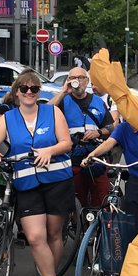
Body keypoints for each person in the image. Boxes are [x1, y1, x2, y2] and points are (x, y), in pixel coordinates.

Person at [0, 70, 74, 276]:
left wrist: (49, 151)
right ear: (16, 92)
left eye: (34, 89)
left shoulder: (53, 112)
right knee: (35, 237)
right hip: (27, 184)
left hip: (56, 181)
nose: (29, 93)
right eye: (24, 89)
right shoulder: (7, 118)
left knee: (54, 234)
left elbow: (66, 142)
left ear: (39, 92)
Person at [82, 112, 138, 234]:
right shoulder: (123, 128)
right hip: (134, 181)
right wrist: (92, 155)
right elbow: (109, 143)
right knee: (134, 222)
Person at [53, 65, 114, 208]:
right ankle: (78, 227)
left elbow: (111, 127)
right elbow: (45, 113)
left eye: (81, 78)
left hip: (95, 156)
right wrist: (63, 92)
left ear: (86, 81)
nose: (77, 81)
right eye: (73, 78)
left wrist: (98, 132)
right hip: (72, 157)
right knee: (76, 199)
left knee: (102, 197)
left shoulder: (98, 102)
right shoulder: (63, 101)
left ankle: (98, 227)